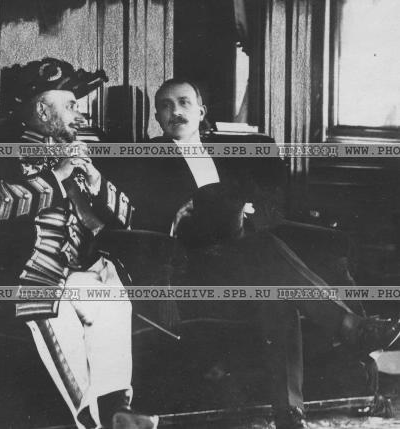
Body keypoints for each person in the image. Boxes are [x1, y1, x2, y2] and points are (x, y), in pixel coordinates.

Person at [144, 77, 400, 429]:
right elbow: (148, 220)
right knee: (266, 255)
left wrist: (247, 211)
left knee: (276, 291)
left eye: (183, 102)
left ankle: (289, 413)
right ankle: (351, 326)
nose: (175, 111)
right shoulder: (148, 160)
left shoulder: (229, 156)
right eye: (165, 106)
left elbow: (267, 209)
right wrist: (180, 213)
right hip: (197, 263)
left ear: (201, 112)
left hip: (245, 255)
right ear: (157, 118)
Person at [0, 57, 157, 429]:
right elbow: (0, 205)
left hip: (80, 274)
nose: (79, 116)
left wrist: (97, 183)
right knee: (59, 314)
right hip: (33, 277)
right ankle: (93, 422)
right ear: (42, 110)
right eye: (70, 106)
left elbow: (130, 218)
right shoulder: (2, 150)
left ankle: (116, 409)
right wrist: (58, 175)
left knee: (111, 295)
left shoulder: (79, 151)